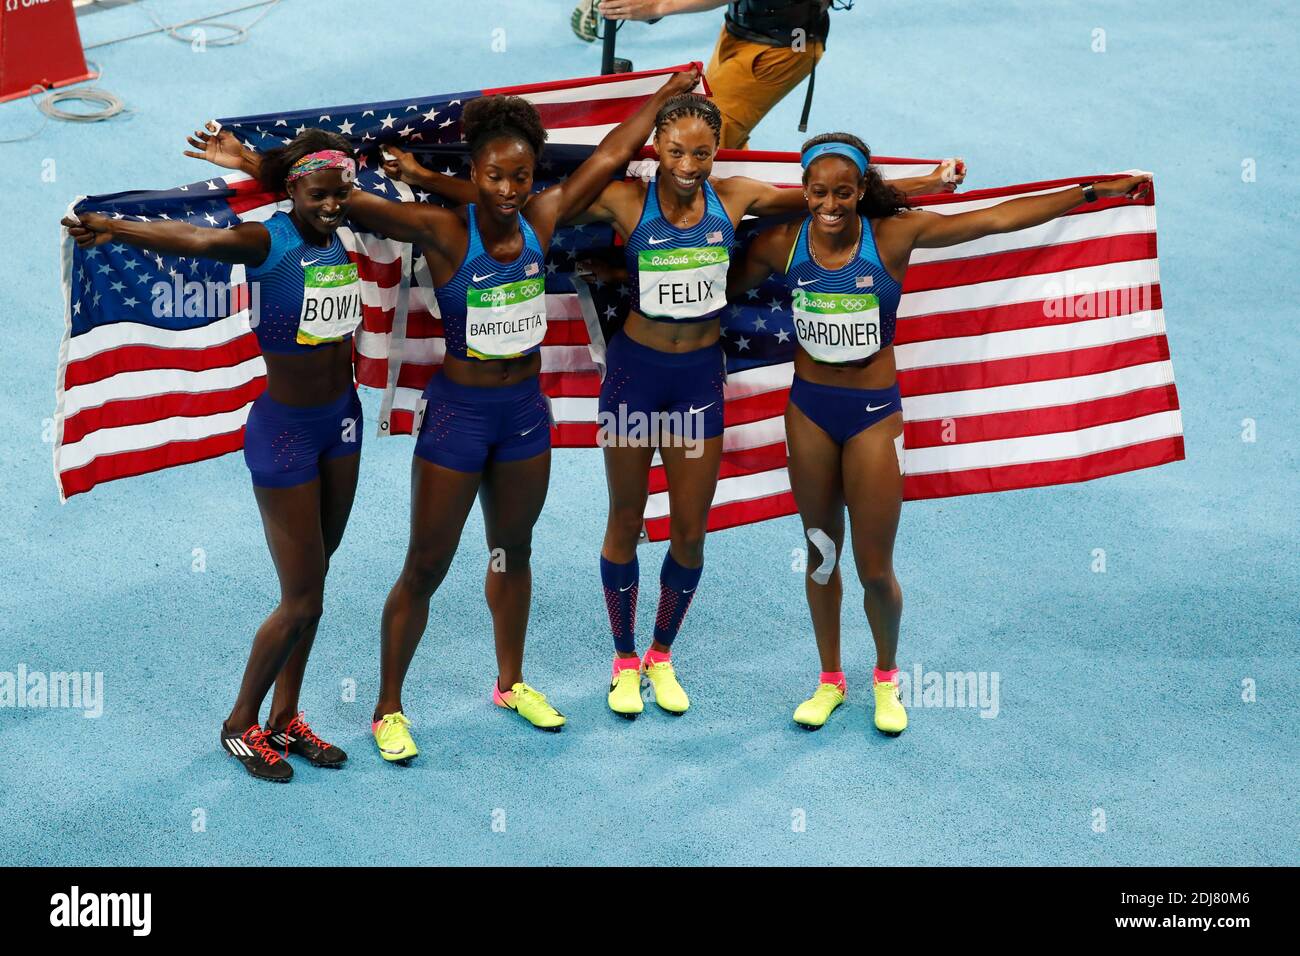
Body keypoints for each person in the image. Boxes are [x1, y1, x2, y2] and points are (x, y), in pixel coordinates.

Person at [193, 70, 700, 761]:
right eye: (495, 176)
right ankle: (388, 709)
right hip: (457, 417)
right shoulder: (436, 226)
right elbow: (338, 206)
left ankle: (512, 682)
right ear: (476, 172)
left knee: (512, 551)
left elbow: (612, 154)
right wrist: (254, 163)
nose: (509, 190)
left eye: (522, 177)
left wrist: (668, 93)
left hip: (524, 417)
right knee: (425, 566)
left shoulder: (543, 218)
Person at [727, 132, 1152, 734]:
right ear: (804, 190)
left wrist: (1087, 192)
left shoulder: (895, 236)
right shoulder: (778, 244)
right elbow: (710, 282)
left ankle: (885, 677)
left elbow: (995, 220)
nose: (830, 204)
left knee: (875, 568)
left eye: (843, 192)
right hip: (810, 413)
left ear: (861, 190)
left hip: (873, 415)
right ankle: (828, 680)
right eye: (818, 192)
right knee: (822, 556)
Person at [63, 130, 366, 782]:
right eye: (320, 196)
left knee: (316, 586)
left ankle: (286, 717)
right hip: (284, 434)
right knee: (301, 600)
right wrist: (115, 229)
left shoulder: (334, 227)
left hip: (343, 425)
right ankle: (239, 723)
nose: (334, 206)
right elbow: (197, 241)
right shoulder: (268, 240)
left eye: (342, 195)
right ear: (292, 193)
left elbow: (321, 184)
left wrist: (251, 159)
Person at [593, 0, 837, 149]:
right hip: (740, 30)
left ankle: (702, 220)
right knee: (718, 124)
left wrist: (658, 5)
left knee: (703, 133)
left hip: (785, 46)